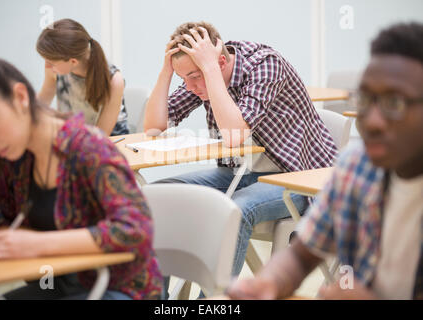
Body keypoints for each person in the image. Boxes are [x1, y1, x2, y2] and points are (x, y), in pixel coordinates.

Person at [227, 22, 423, 300]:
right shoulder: (358, 166)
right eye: (366, 99)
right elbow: (302, 254)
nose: (373, 121)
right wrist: (269, 282)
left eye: (395, 103)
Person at [144, 21, 338, 281]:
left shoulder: (266, 64)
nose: (190, 86)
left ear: (221, 62)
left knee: (234, 209)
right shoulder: (200, 76)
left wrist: (210, 70)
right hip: (240, 172)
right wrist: (166, 73)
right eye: (183, 78)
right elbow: (154, 127)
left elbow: (234, 136)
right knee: (158, 195)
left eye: (194, 76)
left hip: (297, 177)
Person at [0, 57, 162, 299]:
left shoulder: (87, 146)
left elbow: (135, 229)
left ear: (20, 97)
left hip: (119, 289)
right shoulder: (14, 159)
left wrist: (38, 244)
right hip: (55, 285)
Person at [37, 18, 129, 136]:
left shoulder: (114, 80)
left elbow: (101, 136)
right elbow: (40, 106)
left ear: (73, 61)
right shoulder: (54, 70)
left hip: (108, 144)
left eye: (51, 62)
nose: (47, 66)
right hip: (73, 141)